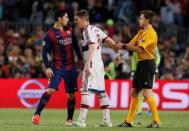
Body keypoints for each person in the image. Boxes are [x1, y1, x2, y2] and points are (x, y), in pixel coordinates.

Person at [32, 10, 83, 126]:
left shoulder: (69, 29)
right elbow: (44, 52)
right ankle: (36, 114)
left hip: (71, 67)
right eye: (66, 17)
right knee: (50, 90)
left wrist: (80, 58)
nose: (68, 19)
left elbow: (74, 43)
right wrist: (48, 68)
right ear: (59, 18)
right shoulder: (50, 34)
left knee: (71, 95)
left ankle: (69, 119)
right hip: (58, 67)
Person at [113, 10, 161, 128]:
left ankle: (156, 121)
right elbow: (130, 45)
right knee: (134, 92)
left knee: (146, 92)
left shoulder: (150, 33)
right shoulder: (141, 33)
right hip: (140, 64)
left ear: (147, 20)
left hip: (148, 63)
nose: (139, 20)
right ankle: (129, 121)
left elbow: (139, 49)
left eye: (141, 18)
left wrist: (123, 46)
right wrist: (120, 50)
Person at [73, 9, 120, 127]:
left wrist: (88, 63)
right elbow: (109, 40)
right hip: (99, 64)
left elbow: (92, 47)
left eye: (76, 19)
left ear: (83, 19)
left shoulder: (87, 30)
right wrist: (117, 53)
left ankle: (81, 121)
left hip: (92, 63)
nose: (75, 22)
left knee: (85, 91)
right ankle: (107, 121)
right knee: (101, 93)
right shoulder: (96, 29)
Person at [132, 47, 161, 115]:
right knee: (138, 90)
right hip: (139, 70)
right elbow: (135, 60)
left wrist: (155, 66)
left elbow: (158, 57)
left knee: (147, 90)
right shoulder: (135, 48)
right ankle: (138, 110)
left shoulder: (153, 46)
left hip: (150, 69)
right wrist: (133, 70)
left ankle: (150, 110)